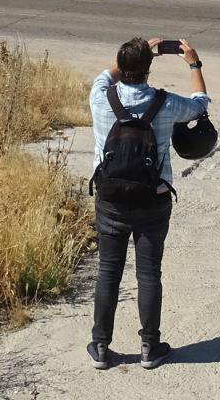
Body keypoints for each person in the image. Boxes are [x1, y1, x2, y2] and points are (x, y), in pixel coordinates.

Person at [87, 36, 210, 371]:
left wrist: (138, 52)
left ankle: (100, 347)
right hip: (152, 201)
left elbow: (103, 76)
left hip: (110, 200)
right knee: (149, 273)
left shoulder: (101, 97)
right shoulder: (165, 103)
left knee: (108, 272)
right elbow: (201, 104)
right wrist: (194, 63)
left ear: (121, 67)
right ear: (148, 69)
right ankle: (149, 348)